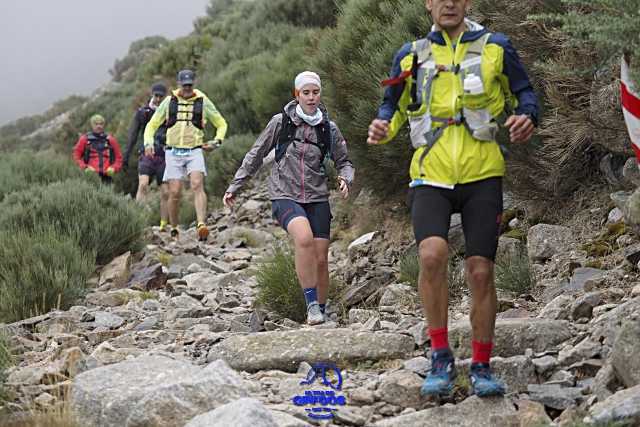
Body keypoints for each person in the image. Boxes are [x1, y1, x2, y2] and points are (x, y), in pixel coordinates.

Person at [367, 0, 539, 397]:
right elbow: (391, 107)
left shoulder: (497, 46)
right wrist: (382, 127)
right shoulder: (409, 55)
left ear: (467, 3)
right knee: (431, 255)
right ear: (427, 4)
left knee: (480, 271)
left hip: (483, 174)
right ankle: (440, 355)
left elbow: (525, 94)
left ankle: (481, 364)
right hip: (431, 172)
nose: (448, 3)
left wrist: (528, 116)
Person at [224, 71, 355, 325]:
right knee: (303, 238)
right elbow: (256, 153)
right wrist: (235, 186)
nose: (311, 97)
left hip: (317, 195)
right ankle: (312, 306)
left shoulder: (329, 127)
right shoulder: (281, 122)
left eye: (315, 92)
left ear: (320, 94)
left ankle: (323, 309)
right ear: (297, 95)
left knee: (320, 256)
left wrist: (345, 178)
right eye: (305, 92)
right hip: (284, 193)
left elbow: (344, 161)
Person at [144, 70, 228, 241]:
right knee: (175, 192)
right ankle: (174, 227)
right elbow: (151, 125)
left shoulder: (203, 101)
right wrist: (148, 143)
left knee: (197, 184)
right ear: (179, 84)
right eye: (185, 85)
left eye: (190, 85)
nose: (187, 88)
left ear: (193, 84)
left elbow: (221, 123)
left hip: (195, 150)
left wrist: (217, 141)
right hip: (173, 151)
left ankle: (201, 224)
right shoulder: (169, 101)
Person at [124, 83, 170, 231]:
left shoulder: (170, 113)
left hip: (164, 155)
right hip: (146, 154)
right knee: (143, 184)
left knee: (165, 191)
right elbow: (133, 134)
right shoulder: (143, 113)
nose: (157, 99)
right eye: (155, 95)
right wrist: (126, 154)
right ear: (152, 95)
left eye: (160, 96)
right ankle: (139, 220)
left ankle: (164, 224)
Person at [73, 114, 123, 184]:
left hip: (107, 176)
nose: (99, 126)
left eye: (101, 124)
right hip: (90, 176)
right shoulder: (84, 139)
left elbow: (119, 158)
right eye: (96, 124)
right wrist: (85, 167)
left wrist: (114, 168)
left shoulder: (110, 140)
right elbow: (76, 156)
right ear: (92, 125)